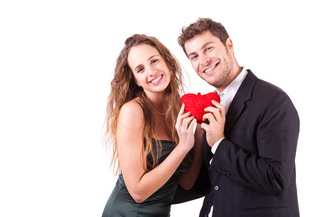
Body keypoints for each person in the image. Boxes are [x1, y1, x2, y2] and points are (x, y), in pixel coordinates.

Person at [175, 18, 300, 217]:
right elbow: (212, 182)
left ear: (229, 45)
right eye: (194, 56)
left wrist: (219, 144)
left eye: (208, 49)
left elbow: (275, 179)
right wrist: (148, 196)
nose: (203, 61)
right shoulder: (211, 106)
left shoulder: (274, 101)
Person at [102, 34, 204, 217]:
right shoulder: (133, 111)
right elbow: (138, 193)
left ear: (167, 62)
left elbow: (187, 183)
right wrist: (183, 146)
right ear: (136, 80)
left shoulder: (179, 110)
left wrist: (198, 140)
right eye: (140, 69)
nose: (151, 71)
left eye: (154, 61)